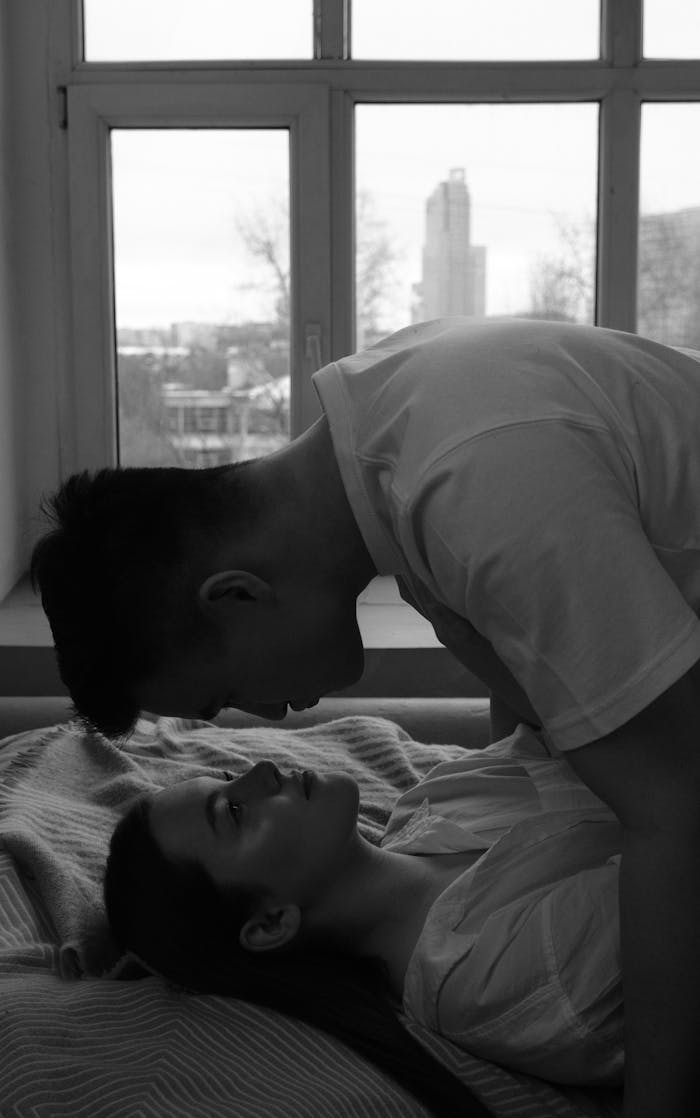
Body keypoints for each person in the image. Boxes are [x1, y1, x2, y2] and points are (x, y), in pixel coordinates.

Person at [31, 316, 700, 1116]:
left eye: (221, 699)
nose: (267, 719)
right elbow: (554, 715)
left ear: (237, 595)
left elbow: (675, 806)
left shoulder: (479, 491)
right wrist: (161, 928)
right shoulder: (400, 420)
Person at [103, 724, 624, 1111]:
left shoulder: (431, 799)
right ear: (269, 924)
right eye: (234, 812)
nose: (260, 771)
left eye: (226, 777)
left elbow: (571, 727)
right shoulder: (487, 977)